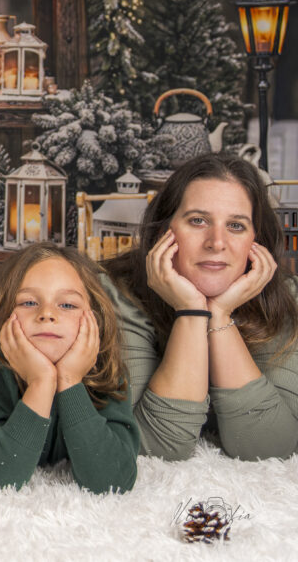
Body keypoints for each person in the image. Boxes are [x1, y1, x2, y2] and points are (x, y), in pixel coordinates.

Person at [103, 152, 298, 461]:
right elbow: (153, 446)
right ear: (163, 232)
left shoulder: (288, 299)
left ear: (257, 241)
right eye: (198, 221)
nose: (216, 242)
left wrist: (219, 316)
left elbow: (270, 447)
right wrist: (192, 313)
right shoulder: (116, 293)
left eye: (236, 225)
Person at [0, 243, 139, 493]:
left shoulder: (106, 367)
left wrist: (69, 380)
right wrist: (42, 382)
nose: (47, 314)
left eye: (67, 305)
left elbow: (114, 482)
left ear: (95, 317)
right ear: (3, 313)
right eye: (28, 302)